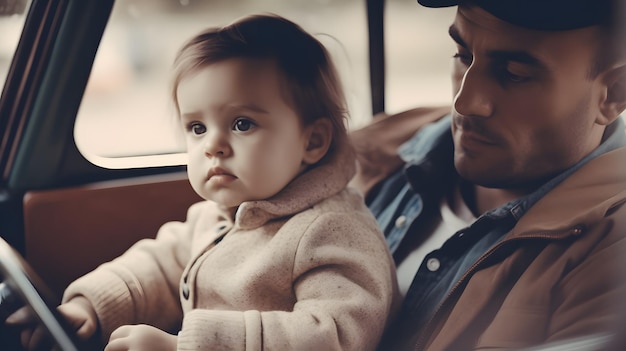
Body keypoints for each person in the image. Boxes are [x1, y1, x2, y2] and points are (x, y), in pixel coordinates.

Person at [7, 14, 399, 351]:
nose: (213, 145)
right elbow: (160, 266)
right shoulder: (219, 217)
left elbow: (334, 336)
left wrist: (186, 346)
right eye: (197, 127)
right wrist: (91, 305)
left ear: (312, 141)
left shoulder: (331, 231)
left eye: (242, 124)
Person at [349, 0, 626, 350]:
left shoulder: (611, 255)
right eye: (463, 55)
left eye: (514, 73)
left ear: (614, 94)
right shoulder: (380, 145)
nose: (465, 102)